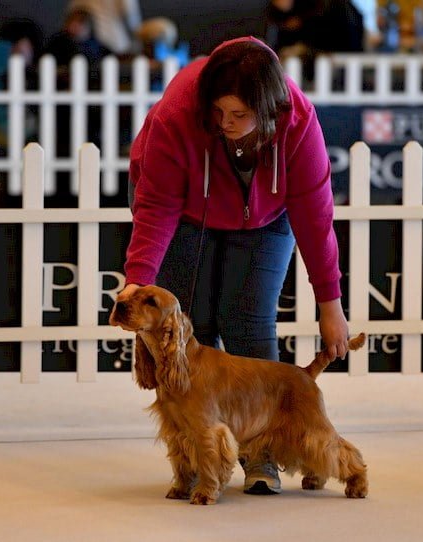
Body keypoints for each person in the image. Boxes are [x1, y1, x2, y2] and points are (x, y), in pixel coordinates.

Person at [117, 37, 350, 495]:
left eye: (239, 115)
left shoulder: (297, 122)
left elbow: (315, 216)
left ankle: (262, 457)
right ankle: (193, 461)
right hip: (183, 213)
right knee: (190, 326)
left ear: (268, 109)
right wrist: (139, 283)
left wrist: (330, 302)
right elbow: (156, 205)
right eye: (218, 113)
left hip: (266, 217)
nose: (226, 124)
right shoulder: (178, 115)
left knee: (249, 321)